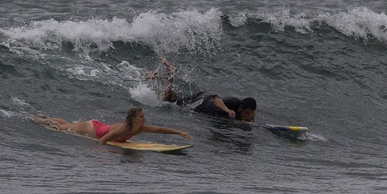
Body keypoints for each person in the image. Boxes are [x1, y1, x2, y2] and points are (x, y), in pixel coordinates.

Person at [148, 57, 257, 122]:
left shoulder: (247, 113)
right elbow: (216, 98)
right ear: (241, 107)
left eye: (250, 114)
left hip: (204, 98)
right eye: (247, 113)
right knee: (169, 102)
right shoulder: (233, 102)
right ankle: (160, 78)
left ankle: (171, 73)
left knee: (178, 99)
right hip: (203, 102)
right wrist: (227, 110)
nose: (248, 116)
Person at [38, 107, 192, 145]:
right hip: (92, 128)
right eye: (141, 117)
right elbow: (103, 140)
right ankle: (41, 119)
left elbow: (159, 129)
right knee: (61, 128)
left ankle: (44, 117)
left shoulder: (138, 128)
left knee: (68, 125)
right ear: (133, 119)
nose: (144, 120)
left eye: (144, 117)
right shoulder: (125, 128)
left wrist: (179, 132)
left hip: (98, 126)